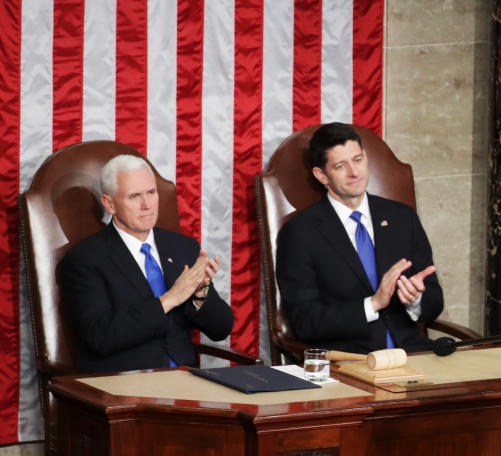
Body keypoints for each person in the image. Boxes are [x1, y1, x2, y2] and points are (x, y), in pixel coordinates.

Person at [275, 122, 443, 354]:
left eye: (358, 160)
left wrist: (415, 300)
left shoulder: (403, 218)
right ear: (321, 175)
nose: (355, 173)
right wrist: (373, 304)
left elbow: (434, 300)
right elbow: (305, 322)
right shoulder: (300, 233)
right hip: (350, 362)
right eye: (341, 166)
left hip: (412, 355)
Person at [59, 154, 234, 372]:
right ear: (109, 204)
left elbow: (221, 328)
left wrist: (200, 290)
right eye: (134, 196)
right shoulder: (84, 259)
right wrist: (170, 299)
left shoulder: (182, 247)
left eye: (151, 193)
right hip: (124, 384)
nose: (146, 204)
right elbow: (100, 337)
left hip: (185, 380)